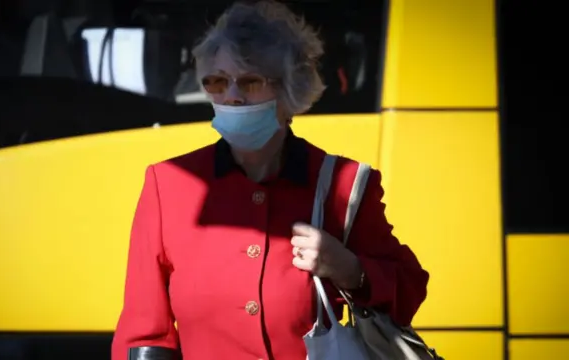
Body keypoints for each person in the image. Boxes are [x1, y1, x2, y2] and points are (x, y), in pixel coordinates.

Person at [111, 1, 429, 359]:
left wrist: (348, 269)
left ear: (289, 91)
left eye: (250, 80)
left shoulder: (343, 184)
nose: (231, 95)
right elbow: (144, 335)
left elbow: (410, 289)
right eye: (217, 81)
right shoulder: (167, 185)